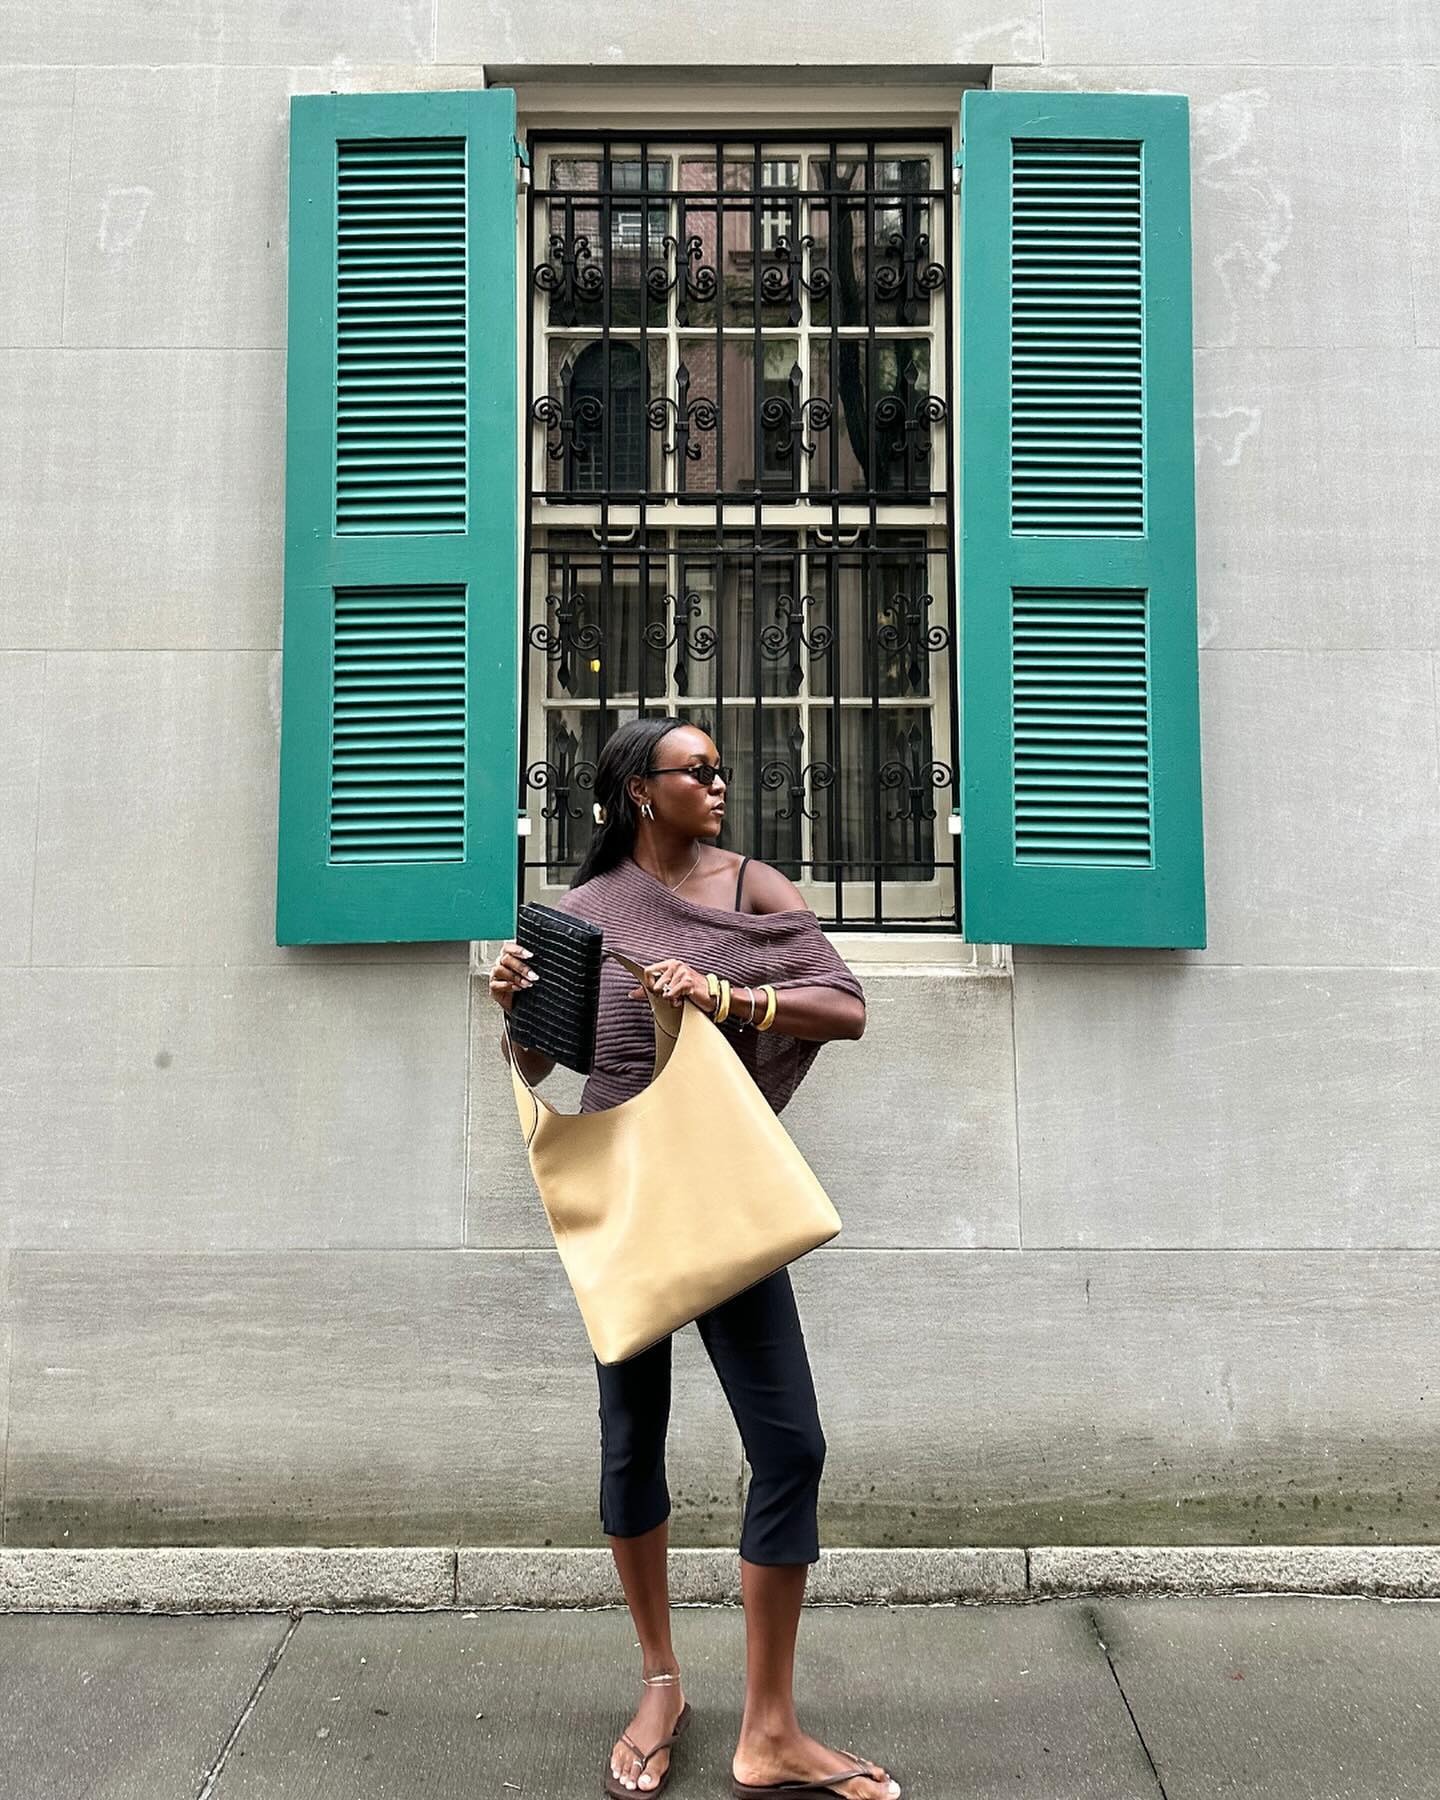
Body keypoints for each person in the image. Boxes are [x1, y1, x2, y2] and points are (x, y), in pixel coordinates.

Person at [489, 717, 902, 1800]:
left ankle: (769, 1729)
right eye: (699, 771)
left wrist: (730, 995)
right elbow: (546, 1059)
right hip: (629, 1198)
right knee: (631, 1445)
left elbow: (844, 1005)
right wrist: (515, 1012)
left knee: (792, 1445)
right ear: (638, 791)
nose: (720, 784)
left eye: (722, 770)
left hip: (718, 1191)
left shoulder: (749, 887)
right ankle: (660, 1680)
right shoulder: (579, 915)